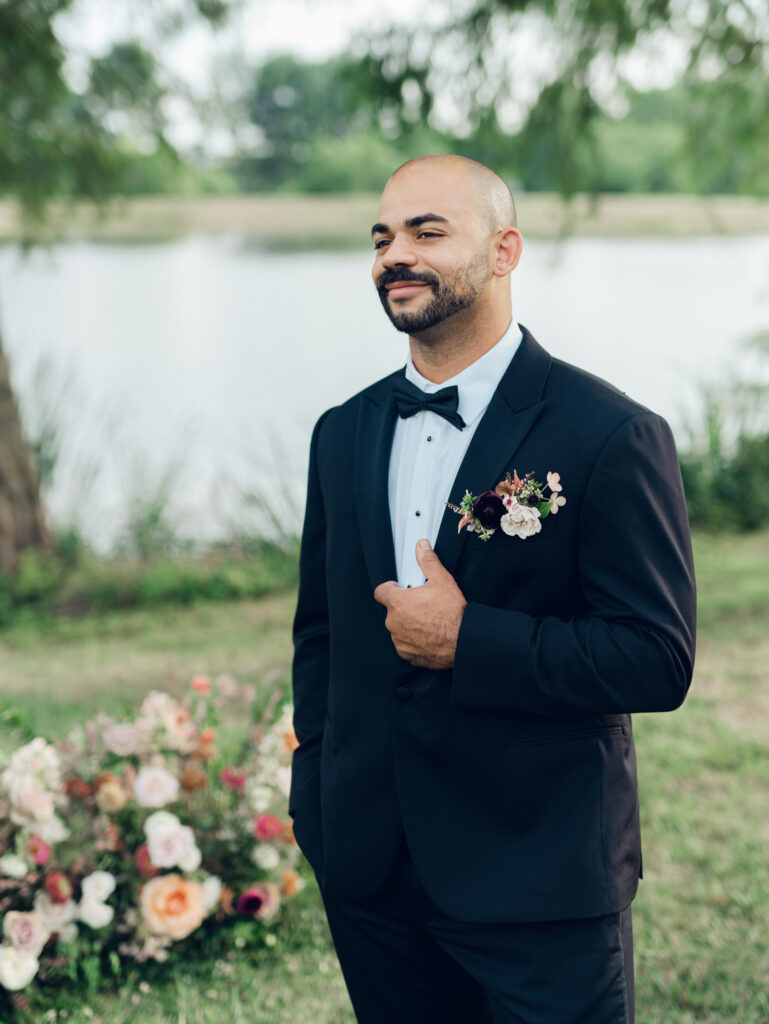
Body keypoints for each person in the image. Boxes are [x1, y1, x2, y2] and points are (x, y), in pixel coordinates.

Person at [289, 154, 696, 1024]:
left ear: (504, 251)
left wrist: (469, 641)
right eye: (382, 236)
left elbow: (656, 659)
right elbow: (320, 635)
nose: (394, 254)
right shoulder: (341, 432)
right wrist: (316, 798)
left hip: (537, 876)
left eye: (427, 232)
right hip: (369, 867)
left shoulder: (610, 434)